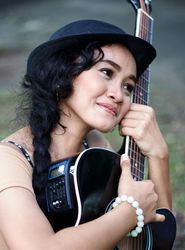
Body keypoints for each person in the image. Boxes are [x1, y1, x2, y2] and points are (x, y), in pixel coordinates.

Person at [0, 19, 172, 250]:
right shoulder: (9, 159)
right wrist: (130, 211)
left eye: (128, 86)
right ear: (61, 73)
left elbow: (156, 241)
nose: (119, 95)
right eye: (106, 72)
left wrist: (159, 156)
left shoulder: (94, 147)